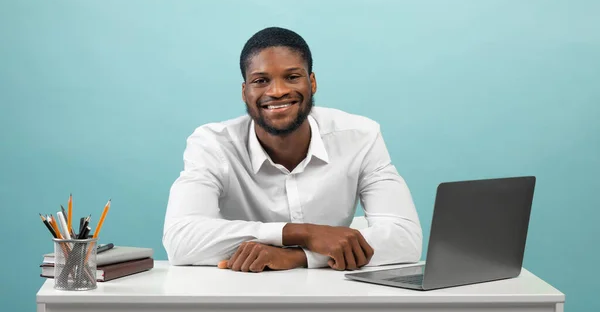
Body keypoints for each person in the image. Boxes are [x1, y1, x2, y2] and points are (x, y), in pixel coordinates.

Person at [163, 27, 422, 272]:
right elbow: (181, 240)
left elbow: (405, 238)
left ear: (312, 82)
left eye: (292, 77)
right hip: (241, 300)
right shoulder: (213, 145)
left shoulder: (360, 137)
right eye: (261, 80)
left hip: (336, 299)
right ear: (245, 92)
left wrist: (297, 256)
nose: (277, 91)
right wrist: (303, 233)